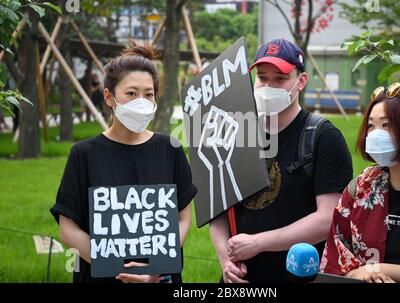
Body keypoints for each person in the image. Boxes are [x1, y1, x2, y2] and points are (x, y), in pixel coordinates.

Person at [50, 42, 197, 283]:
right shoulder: (83, 154)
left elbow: (182, 220)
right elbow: (68, 230)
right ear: (109, 97)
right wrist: (119, 269)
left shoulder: (171, 149)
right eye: (131, 93)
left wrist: (154, 271)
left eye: (148, 94)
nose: (141, 101)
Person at [209, 38, 353, 283]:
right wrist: (226, 260)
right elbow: (218, 212)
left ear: (301, 81)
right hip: (241, 278)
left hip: (300, 275)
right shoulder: (235, 133)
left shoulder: (323, 137)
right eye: (263, 78)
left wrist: (257, 243)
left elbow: (328, 218)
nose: (269, 86)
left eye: (280, 78)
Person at [320, 83, 400, 283]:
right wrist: (358, 273)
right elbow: (336, 255)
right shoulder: (362, 187)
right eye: (371, 125)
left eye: (386, 125)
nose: (375, 134)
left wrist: (376, 268)